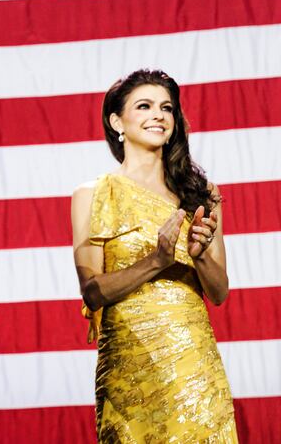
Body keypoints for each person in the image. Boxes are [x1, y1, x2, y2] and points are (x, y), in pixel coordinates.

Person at [71, 69, 237, 441]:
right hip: (131, 368)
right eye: (144, 106)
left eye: (166, 108)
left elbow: (220, 292)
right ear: (117, 121)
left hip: (194, 367)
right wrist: (156, 261)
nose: (158, 115)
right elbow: (93, 292)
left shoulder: (203, 193)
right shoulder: (92, 194)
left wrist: (200, 256)